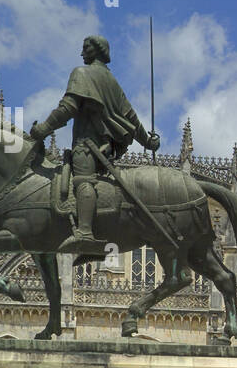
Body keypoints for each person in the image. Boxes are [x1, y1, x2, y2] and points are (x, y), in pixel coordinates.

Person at [28, 35, 160, 255]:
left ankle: (85, 232)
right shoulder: (112, 81)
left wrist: (43, 129)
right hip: (107, 150)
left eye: (85, 48)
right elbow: (130, 116)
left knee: (82, 181)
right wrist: (147, 141)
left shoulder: (82, 74)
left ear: (97, 50)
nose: (81, 53)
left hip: (87, 146)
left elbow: (67, 108)